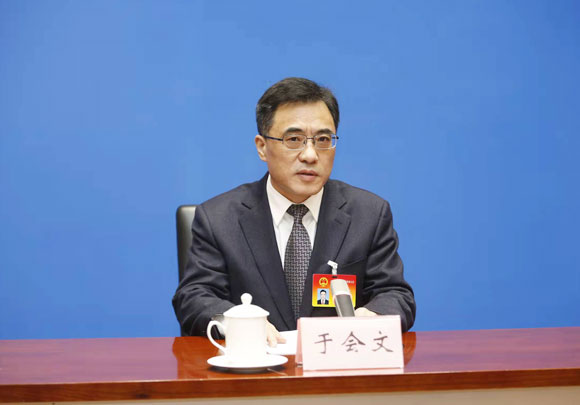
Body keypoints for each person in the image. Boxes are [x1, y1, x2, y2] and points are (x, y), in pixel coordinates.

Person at [173, 77, 416, 346]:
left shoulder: (368, 214)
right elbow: (194, 297)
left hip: (336, 364)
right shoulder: (219, 218)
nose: (310, 155)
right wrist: (237, 322)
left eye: (323, 139)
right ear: (262, 147)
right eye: (294, 139)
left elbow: (395, 294)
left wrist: (372, 316)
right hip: (254, 364)